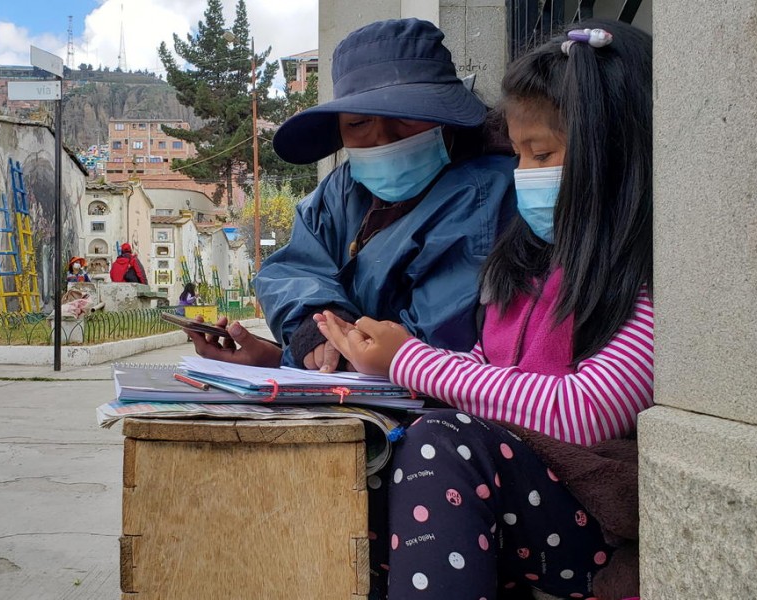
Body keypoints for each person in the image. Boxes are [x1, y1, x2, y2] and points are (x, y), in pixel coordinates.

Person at [317, 20, 653, 600]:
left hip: (592, 520)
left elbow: (584, 414)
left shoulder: (645, 281)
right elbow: (478, 368)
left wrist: (410, 363)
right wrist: (370, 377)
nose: (522, 175)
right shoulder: (522, 269)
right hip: (517, 499)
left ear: (615, 151)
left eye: (541, 153)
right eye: (519, 154)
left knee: (439, 442)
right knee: (372, 453)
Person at [188, 18, 516, 371]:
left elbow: (433, 345)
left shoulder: (487, 193)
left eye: (407, 117)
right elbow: (288, 269)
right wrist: (313, 332)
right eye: (359, 124)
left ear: (447, 115)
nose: (383, 138)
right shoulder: (343, 186)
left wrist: (294, 359)